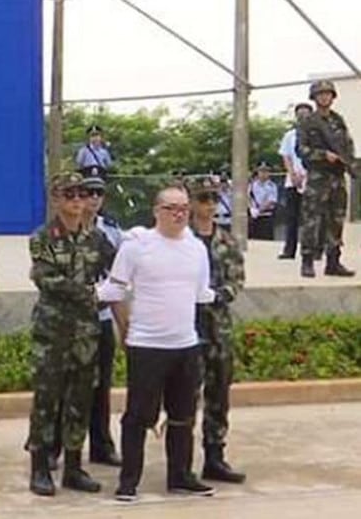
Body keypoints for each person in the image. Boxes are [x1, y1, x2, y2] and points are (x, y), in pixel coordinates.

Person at [98, 186, 215, 502]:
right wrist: (90, 297)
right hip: (146, 345)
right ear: (156, 211)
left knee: (183, 415)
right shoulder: (137, 246)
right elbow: (114, 289)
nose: (178, 214)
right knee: (138, 416)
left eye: (184, 208)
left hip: (185, 344)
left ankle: (180, 476)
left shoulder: (196, 249)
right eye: (171, 208)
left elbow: (202, 294)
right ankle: (128, 481)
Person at [26, 171, 111, 498]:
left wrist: (109, 292)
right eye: (69, 194)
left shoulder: (96, 238)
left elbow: (114, 272)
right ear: (56, 199)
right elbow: (46, 278)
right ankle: (40, 466)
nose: (77, 200)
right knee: (46, 401)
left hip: (86, 332)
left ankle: (74, 467)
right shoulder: (43, 237)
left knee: (81, 399)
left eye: (81, 194)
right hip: (53, 332)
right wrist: (90, 293)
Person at [188, 176, 246, 485]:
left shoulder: (227, 241)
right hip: (187, 326)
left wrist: (219, 294)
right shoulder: (182, 239)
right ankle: (181, 462)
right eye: (203, 199)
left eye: (213, 198)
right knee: (185, 396)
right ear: (191, 203)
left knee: (219, 394)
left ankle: (215, 456)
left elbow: (237, 279)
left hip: (218, 327)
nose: (209, 205)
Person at [82, 175, 122, 466]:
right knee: (64, 387)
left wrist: (125, 324)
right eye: (87, 192)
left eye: (98, 192)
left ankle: (101, 445)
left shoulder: (112, 232)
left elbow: (119, 278)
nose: (93, 198)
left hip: (103, 316)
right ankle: (54, 447)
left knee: (102, 387)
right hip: (71, 322)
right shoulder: (60, 231)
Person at [298, 80, 356, 278]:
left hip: (337, 176)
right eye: (320, 94)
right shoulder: (308, 121)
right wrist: (323, 155)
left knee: (336, 219)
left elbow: (348, 145)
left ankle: (333, 261)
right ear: (314, 97)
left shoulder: (338, 120)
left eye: (328, 93)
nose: (324, 97)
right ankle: (307, 261)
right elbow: (301, 149)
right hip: (318, 176)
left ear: (333, 96)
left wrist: (349, 162)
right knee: (311, 219)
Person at [278, 103, 312, 259]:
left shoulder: (316, 135)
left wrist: (306, 174)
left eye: (306, 114)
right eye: (300, 114)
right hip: (293, 180)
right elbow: (286, 156)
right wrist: (292, 174)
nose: (303, 117)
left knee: (311, 218)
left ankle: (311, 250)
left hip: (311, 180)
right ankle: (289, 250)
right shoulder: (290, 135)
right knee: (291, 217)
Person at [247, 162, 278, 240]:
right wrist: (251, 208)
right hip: (254, 218)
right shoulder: (252, 185)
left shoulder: (272, 186)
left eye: (266, 171)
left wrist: (259, 210)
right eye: (261, 171)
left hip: (266, 217)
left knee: (266, 240)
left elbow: (271, 201)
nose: (263, 174)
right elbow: (248, 197)